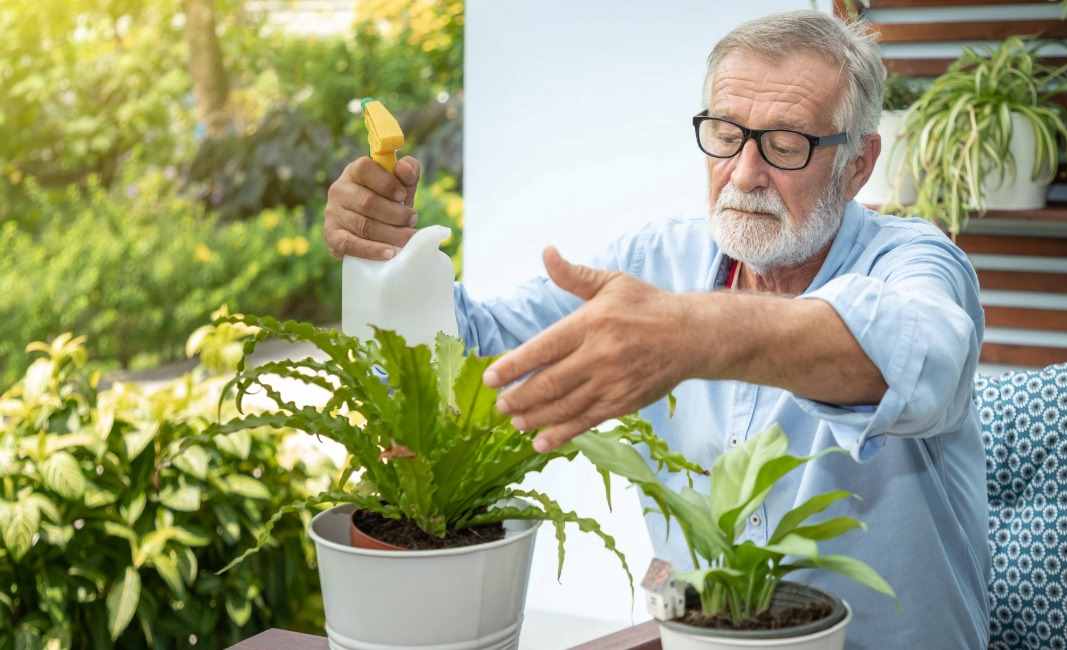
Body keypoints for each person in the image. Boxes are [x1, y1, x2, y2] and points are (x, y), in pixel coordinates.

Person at [322, 10, 988, 649]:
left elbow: (919, 358)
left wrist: (689, 335)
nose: (745, 174)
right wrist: (389, 259)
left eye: (787, 145)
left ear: (859, 165)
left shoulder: (915, 262)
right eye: (726, 135)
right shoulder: (653, 264)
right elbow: (471, 352)